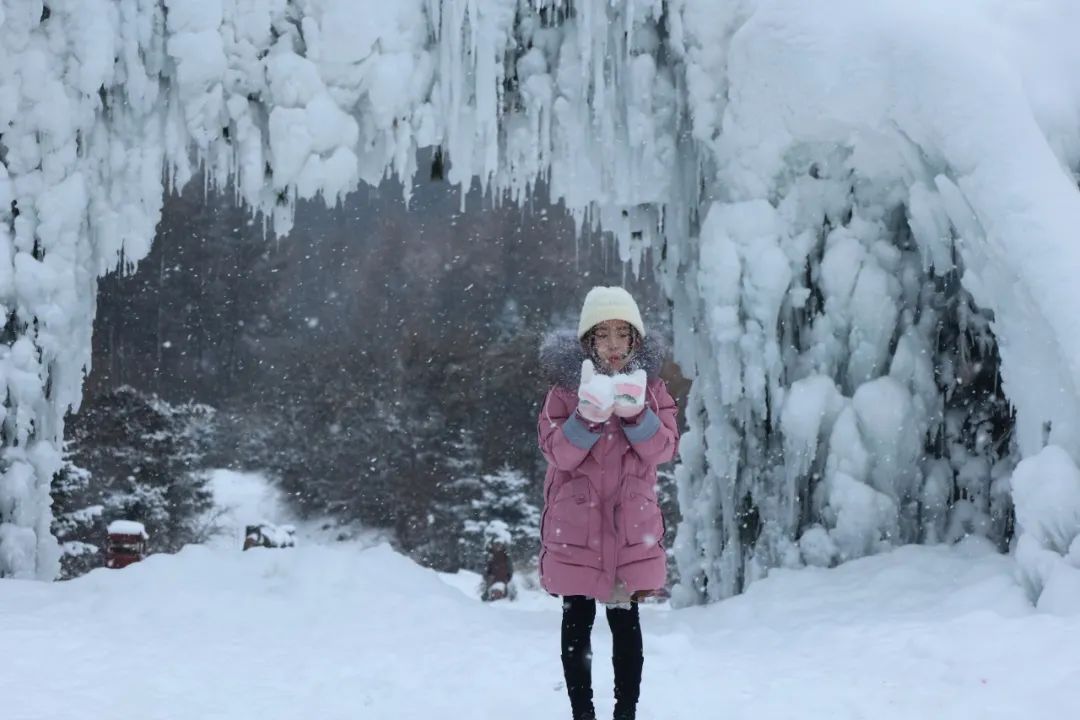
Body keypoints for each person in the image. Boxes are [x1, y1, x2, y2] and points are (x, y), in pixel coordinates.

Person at [538, 286, 680, 720]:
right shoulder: (564, 393)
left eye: (623, 334)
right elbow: (557, 454)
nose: (614, 345)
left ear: (635, 339)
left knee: (625, 625)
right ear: (588, 342)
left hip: (628, 529)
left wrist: (637, 415)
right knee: (576, 624)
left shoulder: (652, 390)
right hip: (576, 528)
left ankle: (626, 712)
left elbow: (664, 449)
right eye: (603, 335)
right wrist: (587, 417)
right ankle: (583, 712)